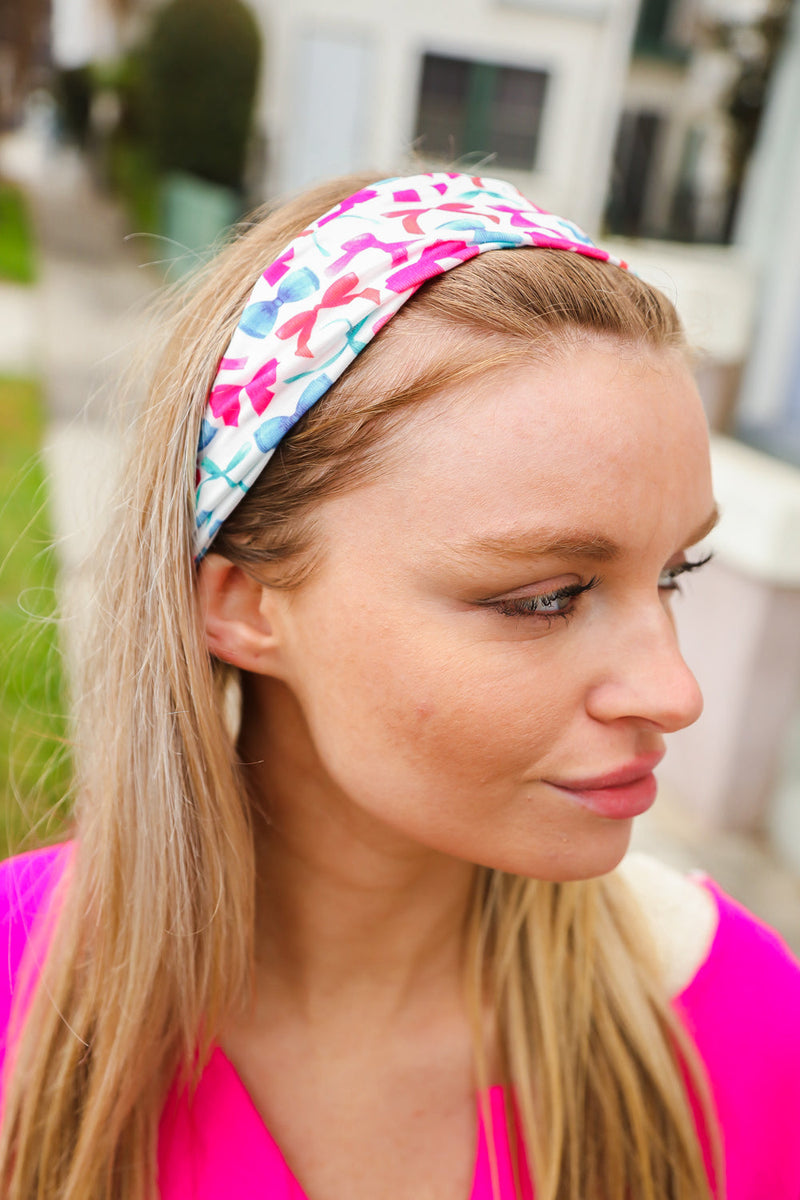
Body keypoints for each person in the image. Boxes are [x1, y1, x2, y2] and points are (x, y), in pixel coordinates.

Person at [0, 170, 798, 1200]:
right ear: (243, 604)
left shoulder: (734, 1026)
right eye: (548, 596)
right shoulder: (19, 1002)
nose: (671, 692)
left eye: (671, 574)